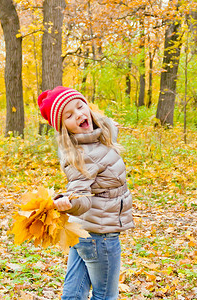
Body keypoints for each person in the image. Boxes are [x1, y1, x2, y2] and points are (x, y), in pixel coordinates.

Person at [37, 86, 134, 300]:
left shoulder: (93, 137)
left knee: (74, 294)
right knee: (105, 296)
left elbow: (103, 128)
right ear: (64, 128)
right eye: (69, 115)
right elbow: (81, 196)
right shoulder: (82, 155)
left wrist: (110, 124)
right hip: (101, 236)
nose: (79, 114)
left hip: (83, 232)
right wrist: (69, 203)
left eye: (80, 106)